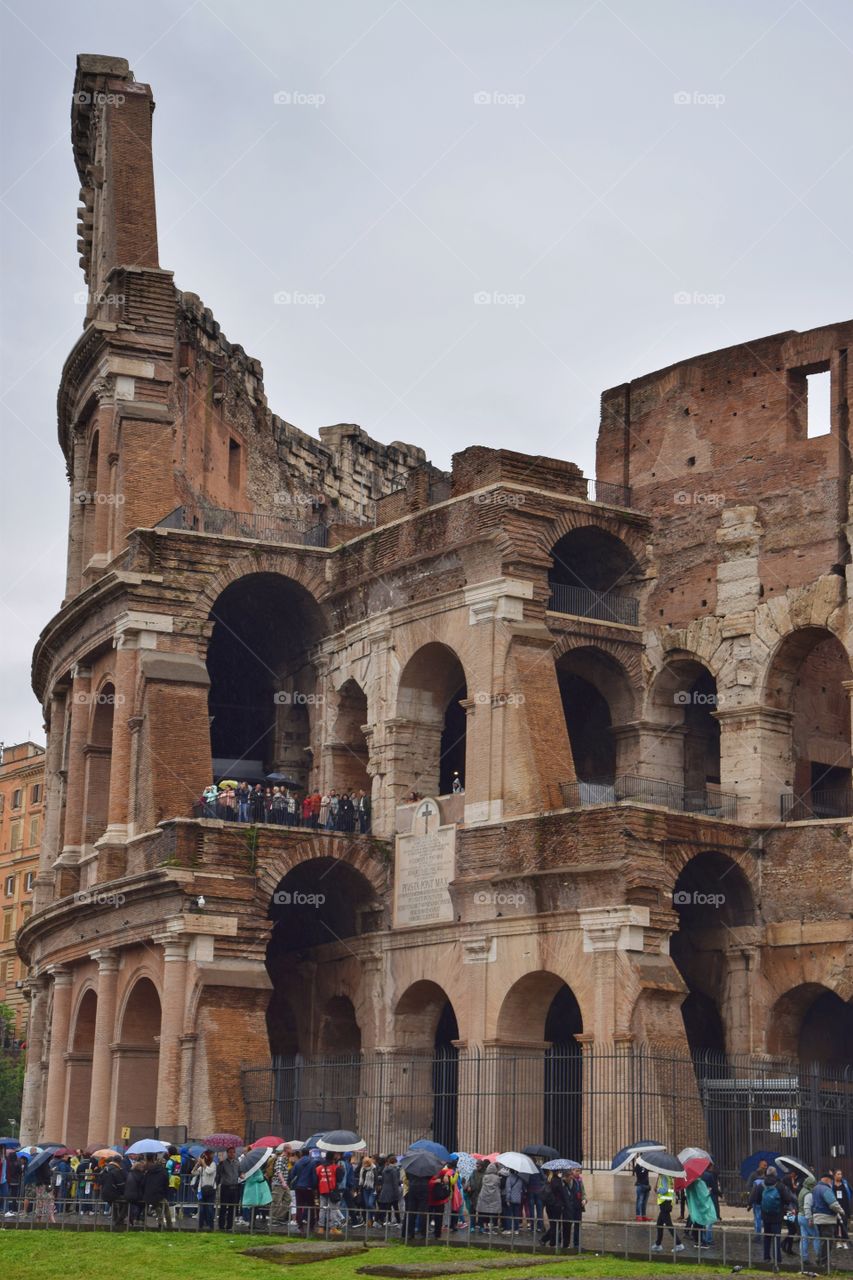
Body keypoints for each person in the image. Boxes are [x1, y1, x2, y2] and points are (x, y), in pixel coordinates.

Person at [754, 1164, 796, 1271]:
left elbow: (756, 1199)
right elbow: (787, 1199)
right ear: (775, 1173)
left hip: (765, 1215)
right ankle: (777, 1258)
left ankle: (766, 1257)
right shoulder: (780, 1185)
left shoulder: (761, 1185)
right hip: (777, 1216)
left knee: (767, 1236)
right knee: (776, 1237)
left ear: (766, 1173)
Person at [813, 1170, 847, 1270]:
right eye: (831, 1181)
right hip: (826, 1219)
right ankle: (825, 1263)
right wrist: (842, 1211)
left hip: (817, 1218)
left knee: (823, 1241)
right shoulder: (825, 1189)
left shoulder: (815, 1188)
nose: (831, 1183)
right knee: (827, 1242)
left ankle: (820, 1260)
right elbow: (833, 1204)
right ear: (828, 1180)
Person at [289, 1145, 320, 1233]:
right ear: (309, 1153)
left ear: (301, 1154)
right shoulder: (312, 1162)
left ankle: (300, 1226)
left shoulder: (297, 1163)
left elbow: (292, 1175)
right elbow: (314, 1176)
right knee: (310, 1206)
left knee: (299, 1206)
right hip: (308, 1187)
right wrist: (314, 1186)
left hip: (298, 1187)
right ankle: (311, 1226)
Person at [651, 1173, 684, 1252]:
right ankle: (658, 1244)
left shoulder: (663, 1177)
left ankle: (679, 1244)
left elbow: (665, 1190)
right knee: (659, 1224)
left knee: (669, 1225)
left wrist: (657, 1190)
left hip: (665, 1203)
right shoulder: (669, 1177)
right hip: (666, 1203)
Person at [314, 1154, 343, 1235]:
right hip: (332, 1191)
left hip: (322, 1191)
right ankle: (332, 1228)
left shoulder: (319, 1168)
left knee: (322, 1209)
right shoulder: (335, 1167)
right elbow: (340, 1179)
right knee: (333, 1209)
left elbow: (315, 1179)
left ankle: (321, 1228)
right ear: (333, 1159)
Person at [798, 1173, 819, 1276]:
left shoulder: (802, 1190)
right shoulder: (809, 1194)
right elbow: (807, 1207)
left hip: (800, 1216)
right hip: (806, 1217)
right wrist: (810, 1219)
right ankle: (819, 1257)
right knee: (816, 1236)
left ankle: (804, 1257)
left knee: (804, 1237)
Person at [143, 1156, 173, 1230]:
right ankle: (169, 1225)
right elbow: (166, 1183)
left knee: (157, 1208)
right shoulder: (164, 1172)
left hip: (150, 1195)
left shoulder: (149, 1171)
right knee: (166, 1209)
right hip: (160, 1194)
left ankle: (161, 1223)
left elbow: (144, 1182)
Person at [242, 1160, 273, 1228]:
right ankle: (251, 1224)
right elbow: (250, 1179)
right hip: (252, 1191)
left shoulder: (256, 1168)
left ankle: (253, 1223)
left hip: (256, 1191)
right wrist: (261, 1177)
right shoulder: (251, 1169)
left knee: (256, 1208)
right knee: (253, 1208)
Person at [217, 1145, 241, 1232]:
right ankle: (221, 1225)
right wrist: (220, 1162)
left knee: (232, 1207)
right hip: (225, 1187)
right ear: (227, 1153)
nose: (232, 1154)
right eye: (230, 1152)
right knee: (223, 1207)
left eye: (233, 1152)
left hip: (234, 1187)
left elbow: (239, 1172)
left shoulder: (237, 1163)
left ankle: (229, 1225)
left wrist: (241, 1174)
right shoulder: (223, 1163)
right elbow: (218, 1172)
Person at [192, 1150, 217, 1230]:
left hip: (211, 1190)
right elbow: (193, 1173)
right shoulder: (202, 1166)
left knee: (210, 1209)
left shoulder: (213, 1164)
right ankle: (201, 1225)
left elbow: (209, 1171)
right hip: (201, 1190)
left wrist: (203, 1163)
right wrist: (197, 1164)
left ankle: (211, 1226)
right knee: (201, 1209)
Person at [475, 1162, 502, 1235]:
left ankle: (482, 1228)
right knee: (492, 1214)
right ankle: (491, 1229)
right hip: (494, 1198)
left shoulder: (485, 1177)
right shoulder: (497, 1178)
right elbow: (499, 1185)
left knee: (483, 1213)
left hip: (484, 1197)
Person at [426, 1164, 452, 1239]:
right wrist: (434, 1182)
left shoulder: (440, 1172)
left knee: (439, 1218)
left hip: (439, 1200)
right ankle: (425, 1232)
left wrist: (446, 1175)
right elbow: (425, 1184)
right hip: (429, 1200)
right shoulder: (427, 1173)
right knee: (428, 1217)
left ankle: (437, 1234)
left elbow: (451, 1171)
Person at [100, 1156, 127, 1227]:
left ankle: (116, 1220)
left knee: (114, 1204)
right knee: (127, 1201)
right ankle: (119, 1220)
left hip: (104, 1193)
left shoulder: (105, 1169)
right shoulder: (116, 1170)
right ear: (119, 1162)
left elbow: (100, 1181)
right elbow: (120, 1184)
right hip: (113, 1193)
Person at [270, 1144, 292, 1230]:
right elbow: (278, 1171)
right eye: (290, 1149)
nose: (292, 1150)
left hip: (283, 1183)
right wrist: (283, 1182)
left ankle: (278, 1217)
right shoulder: (281, 1158)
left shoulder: (286, 1159)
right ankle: (273, 1219)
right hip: (278, 1183)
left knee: (288, 1199)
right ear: (286, 1149)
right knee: (276, 1201)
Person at [378, 1154, 402, 1228]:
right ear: (395, 1162)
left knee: (386, 1206)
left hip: (385, 1190)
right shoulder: (394, 1170)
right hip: (392, 1190)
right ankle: (399, 1222)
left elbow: (383, 1180)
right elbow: (395, 1183)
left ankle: (384, 1221)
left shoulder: (385, 1169)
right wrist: (397, 1193)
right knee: (395, 1207)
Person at [748, 1158, 769, 1236]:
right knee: (758, 1218)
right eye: (764, 1165)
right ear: (760, 1165)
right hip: (758, 1200)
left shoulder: (767, 1176)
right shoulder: (754, 1175)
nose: (765, 1167)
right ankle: (758, 1234)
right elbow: (749, 1186)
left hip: (763, 1201)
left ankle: (758, 1235)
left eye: (766, 1166)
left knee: (758, 1219)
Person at [125, 1159, 146, 1227]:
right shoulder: (141, 1175)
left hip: (127, 1194)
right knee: (144, 1203)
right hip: (135, 1195)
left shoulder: (129, 1173)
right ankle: (139, 1219)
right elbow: (143, 1186)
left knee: (132, 1206)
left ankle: (132, 1219)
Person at [833, 1169, 851, 1247]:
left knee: (844, 1224)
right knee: (836, 1224)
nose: (840, 1175)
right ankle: (837, 1242)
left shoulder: (845, 1183)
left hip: (844, 1207)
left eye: (841, 1174)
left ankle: (844, 1241)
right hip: (834, 1207)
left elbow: (850, 1192)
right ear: (834, 1175)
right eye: (838, 1174)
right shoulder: (831, 1184)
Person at [358, 1154, 378, 1225]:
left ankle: (376, 1214)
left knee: (370, 1204)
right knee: (367, 1205)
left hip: (372, 1188)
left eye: (366, 1163)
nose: (364, 1165)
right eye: (364, 1163)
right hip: (365, 1189)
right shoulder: (362, 1169)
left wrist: (375, 1188)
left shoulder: (373, 1169)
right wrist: (359, 1190)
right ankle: (369, 1221)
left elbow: (376, 1179)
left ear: (369, 1163)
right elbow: (361, 1180)